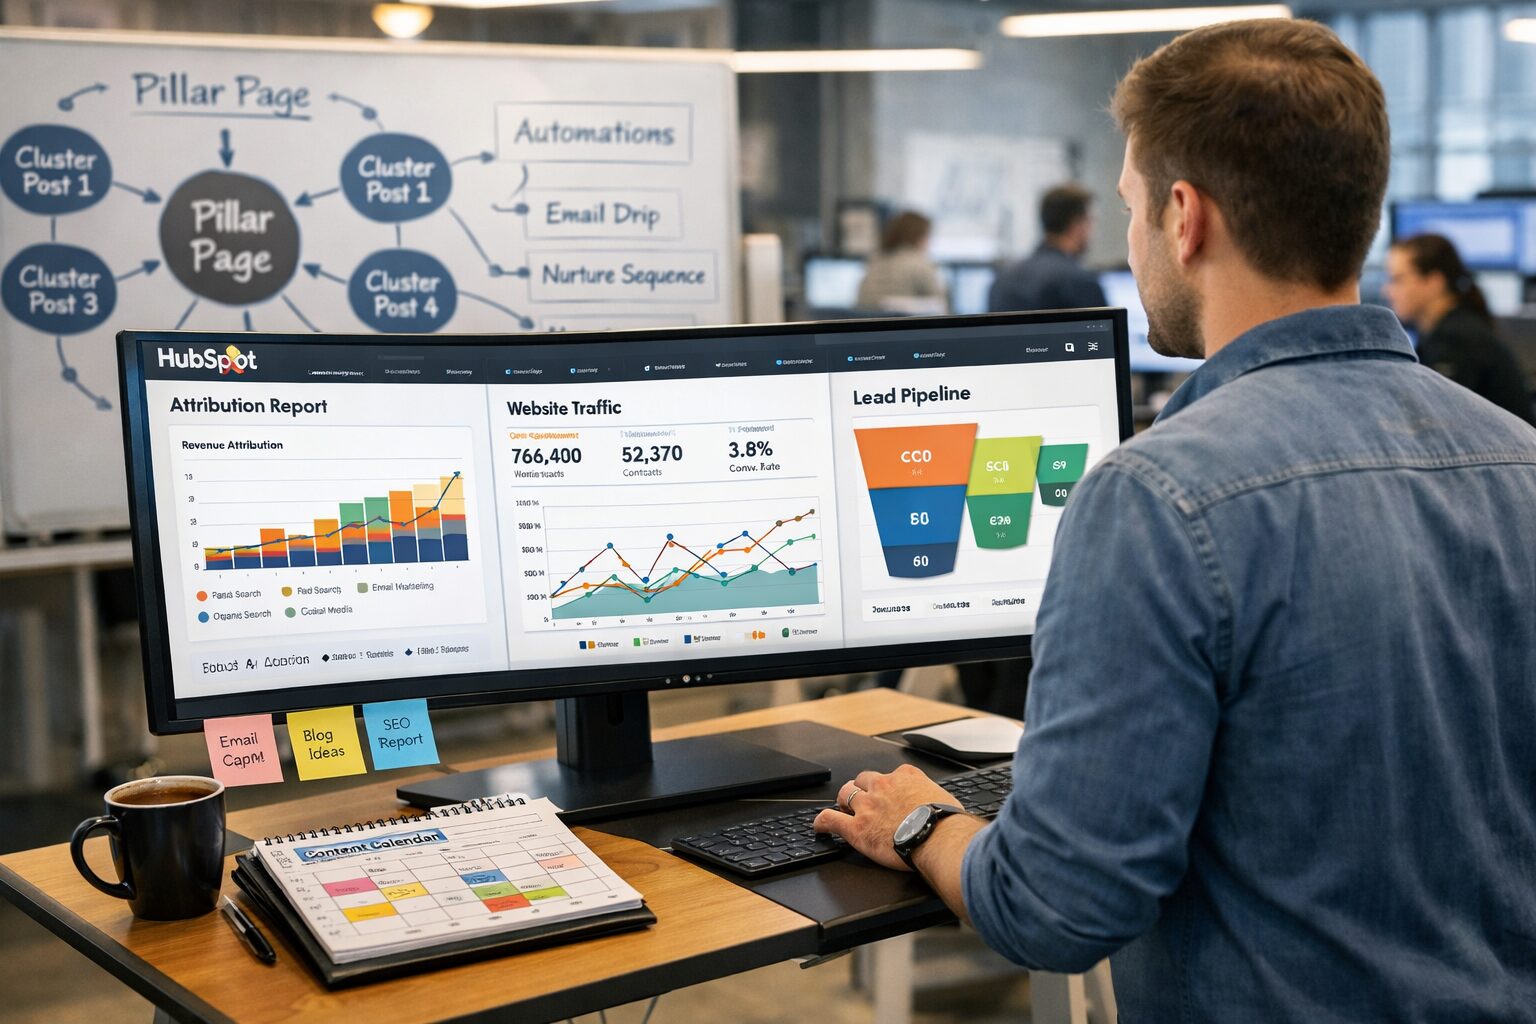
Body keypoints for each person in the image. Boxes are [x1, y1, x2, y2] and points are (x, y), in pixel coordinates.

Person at [817, 19, 1536, 1022]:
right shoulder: (1520, 459)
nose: (1131, 235)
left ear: (1185, 216)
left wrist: (919, 821)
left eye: (1131, 206)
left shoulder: (1156, 500)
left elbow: (1059, 905)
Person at [1385, 233, 1535, 424]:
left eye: (1398, 279)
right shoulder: (1444, 331)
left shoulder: (1457, 339)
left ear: (1434, 282)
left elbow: (1437, 420)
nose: (1388, 290)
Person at [988, 184, 1107, 312]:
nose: (1094, 230)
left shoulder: (1002, 279)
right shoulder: (1081, 282)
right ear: (1077, 225)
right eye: (1091, 221)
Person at [855, 211, 948, 313]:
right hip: (902, 325)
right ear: (919, 236)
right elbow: (941, 305)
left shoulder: (875, 258)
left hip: (866, 323)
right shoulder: (918, 261)